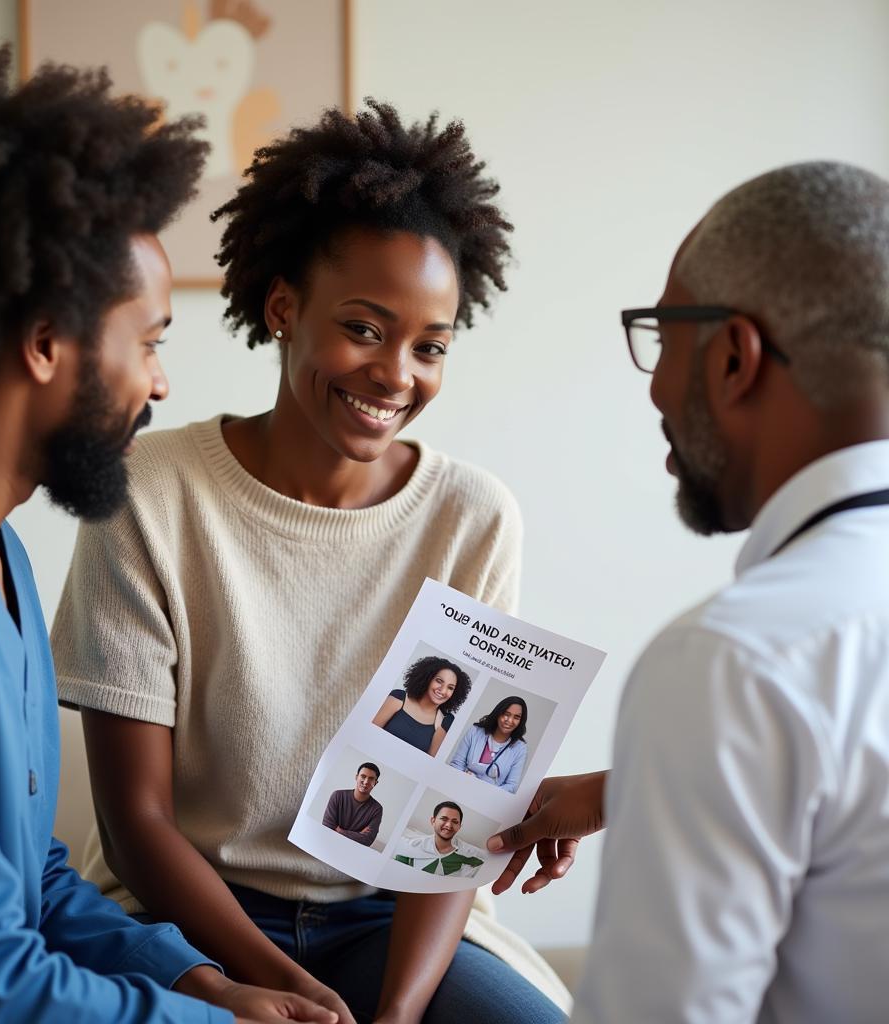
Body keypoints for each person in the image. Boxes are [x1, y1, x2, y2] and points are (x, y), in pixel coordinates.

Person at [52, 99, 571, 1023]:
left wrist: (399, 1014)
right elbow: (138, 825)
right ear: (283, 307)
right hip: (187, 919)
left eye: (431, 347)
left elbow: (451, 815)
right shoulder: (150, 490)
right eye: (365, 329)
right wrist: (281, 984)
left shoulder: (474, 518)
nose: (396, 375)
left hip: (387, 920)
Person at [0, 47, 338, 1024]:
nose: (162, 383)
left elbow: (24, 875)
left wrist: (200, 981)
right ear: (45, 341)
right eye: (152, 340)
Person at [492, 161, 889, 1024]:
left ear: (735, 357)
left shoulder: (731, 663)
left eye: (663, 338)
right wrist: (634, 781)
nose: (654, 385)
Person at [371, 655, 472, 757]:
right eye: (439, 681)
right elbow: (370, 733)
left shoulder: (444, 722)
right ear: (427, 679)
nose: (443, 690)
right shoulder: (399, 698)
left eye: (450, 688)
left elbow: (428, 763)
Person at [449, 696, 528, 792]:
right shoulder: (475, 731)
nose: (509, 720)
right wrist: (464, 782)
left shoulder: (520, 748)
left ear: (521, 721)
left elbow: (511, 786)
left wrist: (485, 790)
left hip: (488, 799)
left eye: (516, 717)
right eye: (506, 714)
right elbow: (457, 764)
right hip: (460, 787)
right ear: (498, 713)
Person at [394, 803, 484, 878]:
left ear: (459, 827)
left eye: (455, 822)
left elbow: (482, 864)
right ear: (433, 821)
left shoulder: (465, 854)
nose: (449, 825)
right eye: (444, 819)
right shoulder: (412, 846)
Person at [322, 763, 383, 846]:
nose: (366, 782)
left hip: (352, 851)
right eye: (363, 776)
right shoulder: (337, 796)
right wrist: (358, 834)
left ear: (375, 783)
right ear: (356, 777)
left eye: (371, 779)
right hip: (327, 843)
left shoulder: (376, 809)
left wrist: (339, 831)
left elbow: (367, 840)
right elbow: (326, 827)